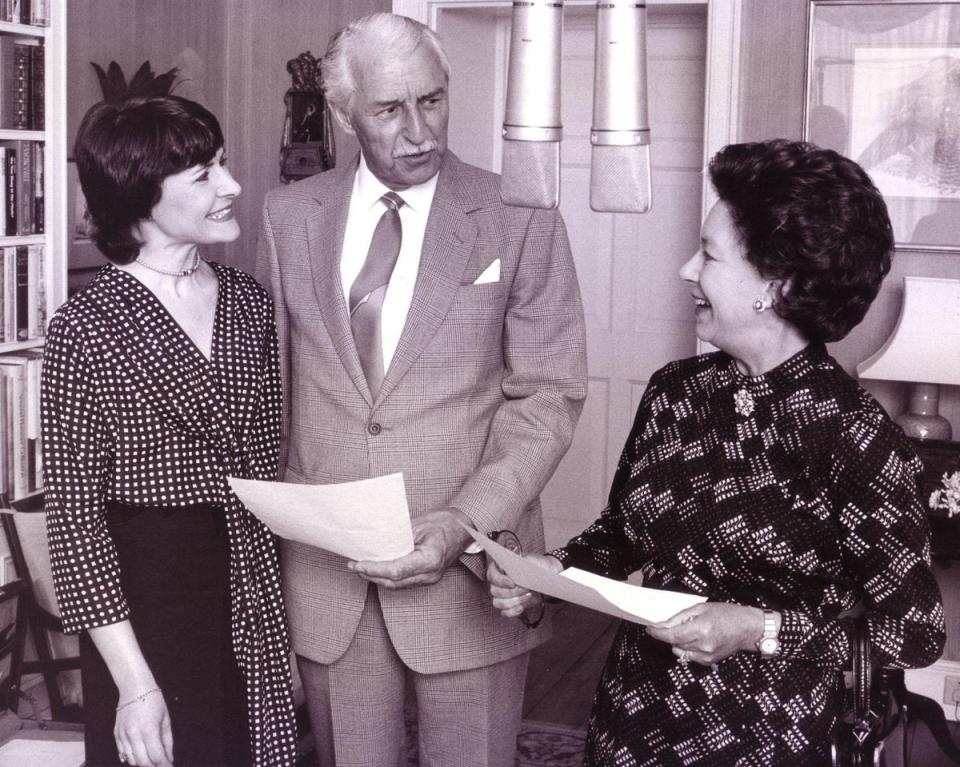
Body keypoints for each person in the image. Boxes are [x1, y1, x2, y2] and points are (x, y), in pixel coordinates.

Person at [489, 139, 947, 766]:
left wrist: (757, 629)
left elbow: (915, 633)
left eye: (707, 254)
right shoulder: (677, 392)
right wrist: (547, 575)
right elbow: (621, 536)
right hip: (634, 719)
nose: (685, 270)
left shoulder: (854, 436)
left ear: (775, 285)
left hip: (770, 737)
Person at [255, 12, 587, 767]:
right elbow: (275, 386)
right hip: (329, 580)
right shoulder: (288, 216)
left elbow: (550, 395)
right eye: (389, 109)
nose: (418, 131)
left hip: (472, 567)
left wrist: (464, 522)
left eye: (431, 101)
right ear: (343, 114)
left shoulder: (520, 215)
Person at [42, 95, 297, 767]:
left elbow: (269, 467)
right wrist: (133, 683)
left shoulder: (248, 302)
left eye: (223, 164)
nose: (232, 186)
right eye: (204, 174)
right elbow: (75, 525)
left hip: (247, 588)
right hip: (144, 607)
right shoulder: (85, 327)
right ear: (140, 196)